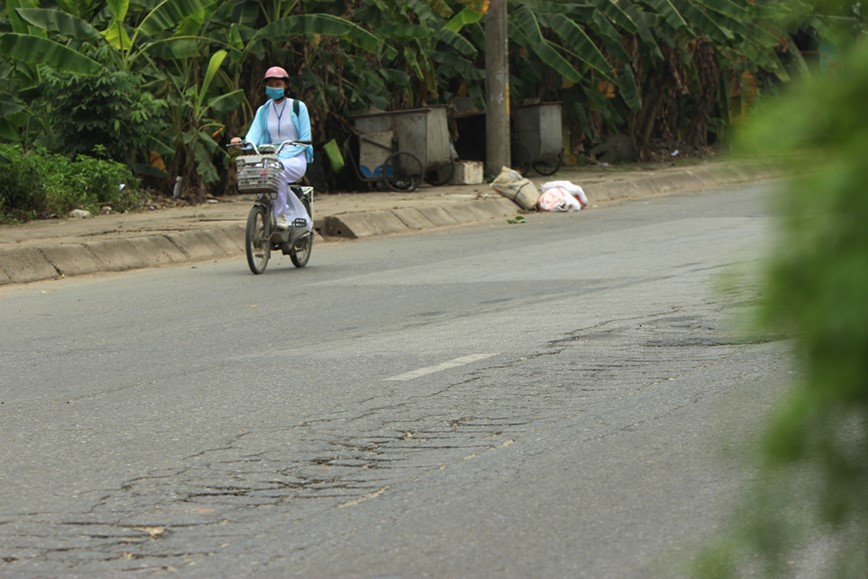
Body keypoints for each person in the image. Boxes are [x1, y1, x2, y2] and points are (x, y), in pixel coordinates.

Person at [232, 66, 314, 230]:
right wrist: (242, 142)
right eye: (271, 84)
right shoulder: (263, 110)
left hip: (295, 157)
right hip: (270, 156)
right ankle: (265, 212)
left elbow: (305, 138)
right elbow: (253, 135)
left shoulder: (298, 107)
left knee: (277, 171)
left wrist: (283, 156)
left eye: (278, 84)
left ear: (285, 86)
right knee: (256, 172)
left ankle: (281, 214)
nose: (274, 88)